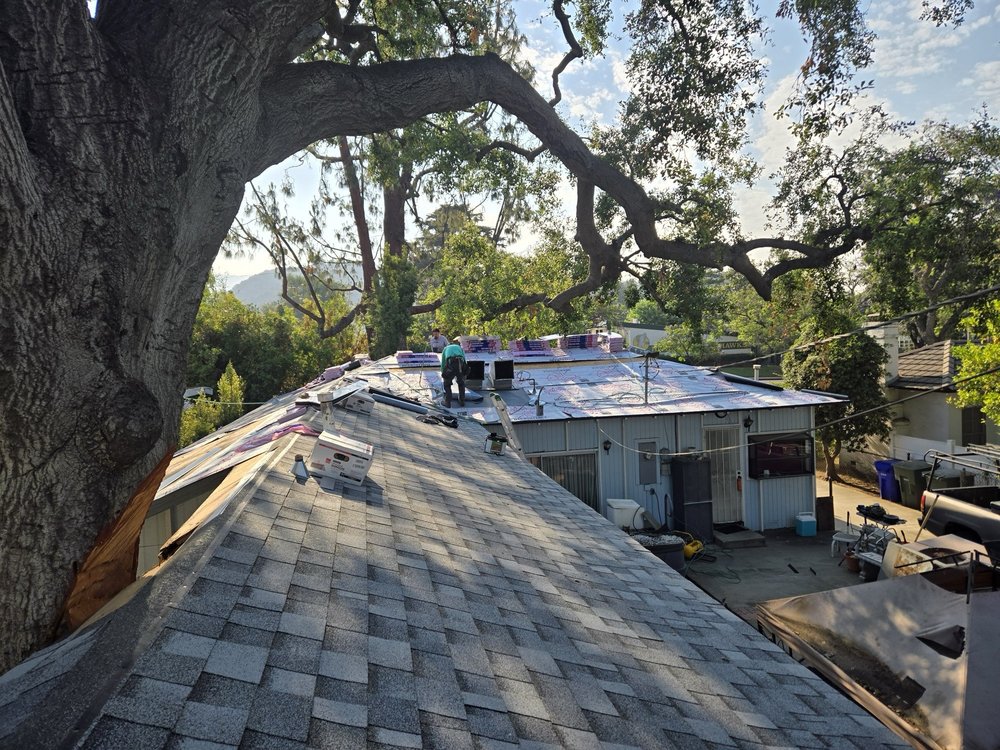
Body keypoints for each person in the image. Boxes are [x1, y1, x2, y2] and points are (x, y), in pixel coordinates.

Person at [440, 339, 467, 408]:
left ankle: (448, 402)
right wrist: (463, 373)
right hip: (460, 363)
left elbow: (443, 362)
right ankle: (462, 401)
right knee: (461, 382)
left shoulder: (445, 348)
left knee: (447, 383)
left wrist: (443, 372)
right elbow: (464, 359)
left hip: (451, 363)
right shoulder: (459, 348)